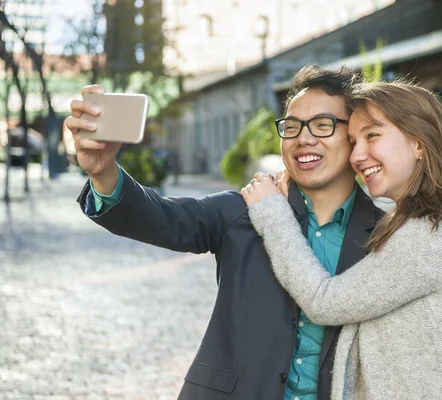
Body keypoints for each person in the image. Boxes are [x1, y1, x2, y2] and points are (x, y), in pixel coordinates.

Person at [64, 65, 384, 400]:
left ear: (354, 136)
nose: (303, 138)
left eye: (323, 125)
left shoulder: (386, 234)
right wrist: (103, 172)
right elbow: (161, 217)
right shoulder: (243, 211)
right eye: (292, 126)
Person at [242, 81, 442, 399]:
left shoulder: (436, 236)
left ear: (419, 142)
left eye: (372, 135)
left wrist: (272, 214)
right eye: (353, 141)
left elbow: (324, 302)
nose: (356, 155)